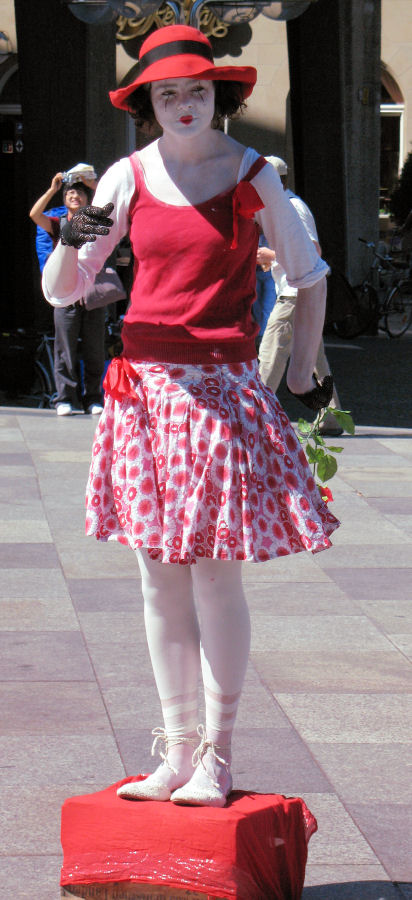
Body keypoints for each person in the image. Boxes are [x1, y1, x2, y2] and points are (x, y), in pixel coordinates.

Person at [42, 24, 339, 808]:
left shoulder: (252, 176)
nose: (182, 104)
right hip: (143, 398)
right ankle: (174, 753)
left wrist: (305, 370)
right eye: (167, 93)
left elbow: (308, 274)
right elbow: (65, 292)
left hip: (217, 396)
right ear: (148, 104)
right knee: (157, 583)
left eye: (196, 91)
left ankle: (218, 756)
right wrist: (71, 245)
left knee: (214, 580)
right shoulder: (127, 177)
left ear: (221, 97)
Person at [258, 156, 343, 437]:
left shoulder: (293, 208)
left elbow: (313, 250)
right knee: (315, 359)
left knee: (271, 353)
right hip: (301, 292)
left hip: (295, 294)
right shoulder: (284, 206)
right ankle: (330, 416)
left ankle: (257, 415)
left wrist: (270, 256)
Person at [30, 170, 105, 417]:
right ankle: (65, 398)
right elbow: (34, 214)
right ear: (64, 200)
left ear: (87, 198)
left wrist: (92, 183)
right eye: (70, 193)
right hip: (66, 293)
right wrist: (53, 188)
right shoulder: (58, 223)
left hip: (92, 293)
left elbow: (112, 206)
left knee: (95, 348)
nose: (75, 196)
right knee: (64, 349)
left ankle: (93, 397)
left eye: (80, 193)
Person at [252, 232, 277, 350]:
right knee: (256, 306)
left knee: (268, 306)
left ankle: (263, 337)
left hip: (270, 273)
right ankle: (259, 334)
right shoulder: (253, 233)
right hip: (256, 272)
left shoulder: (273, 232)